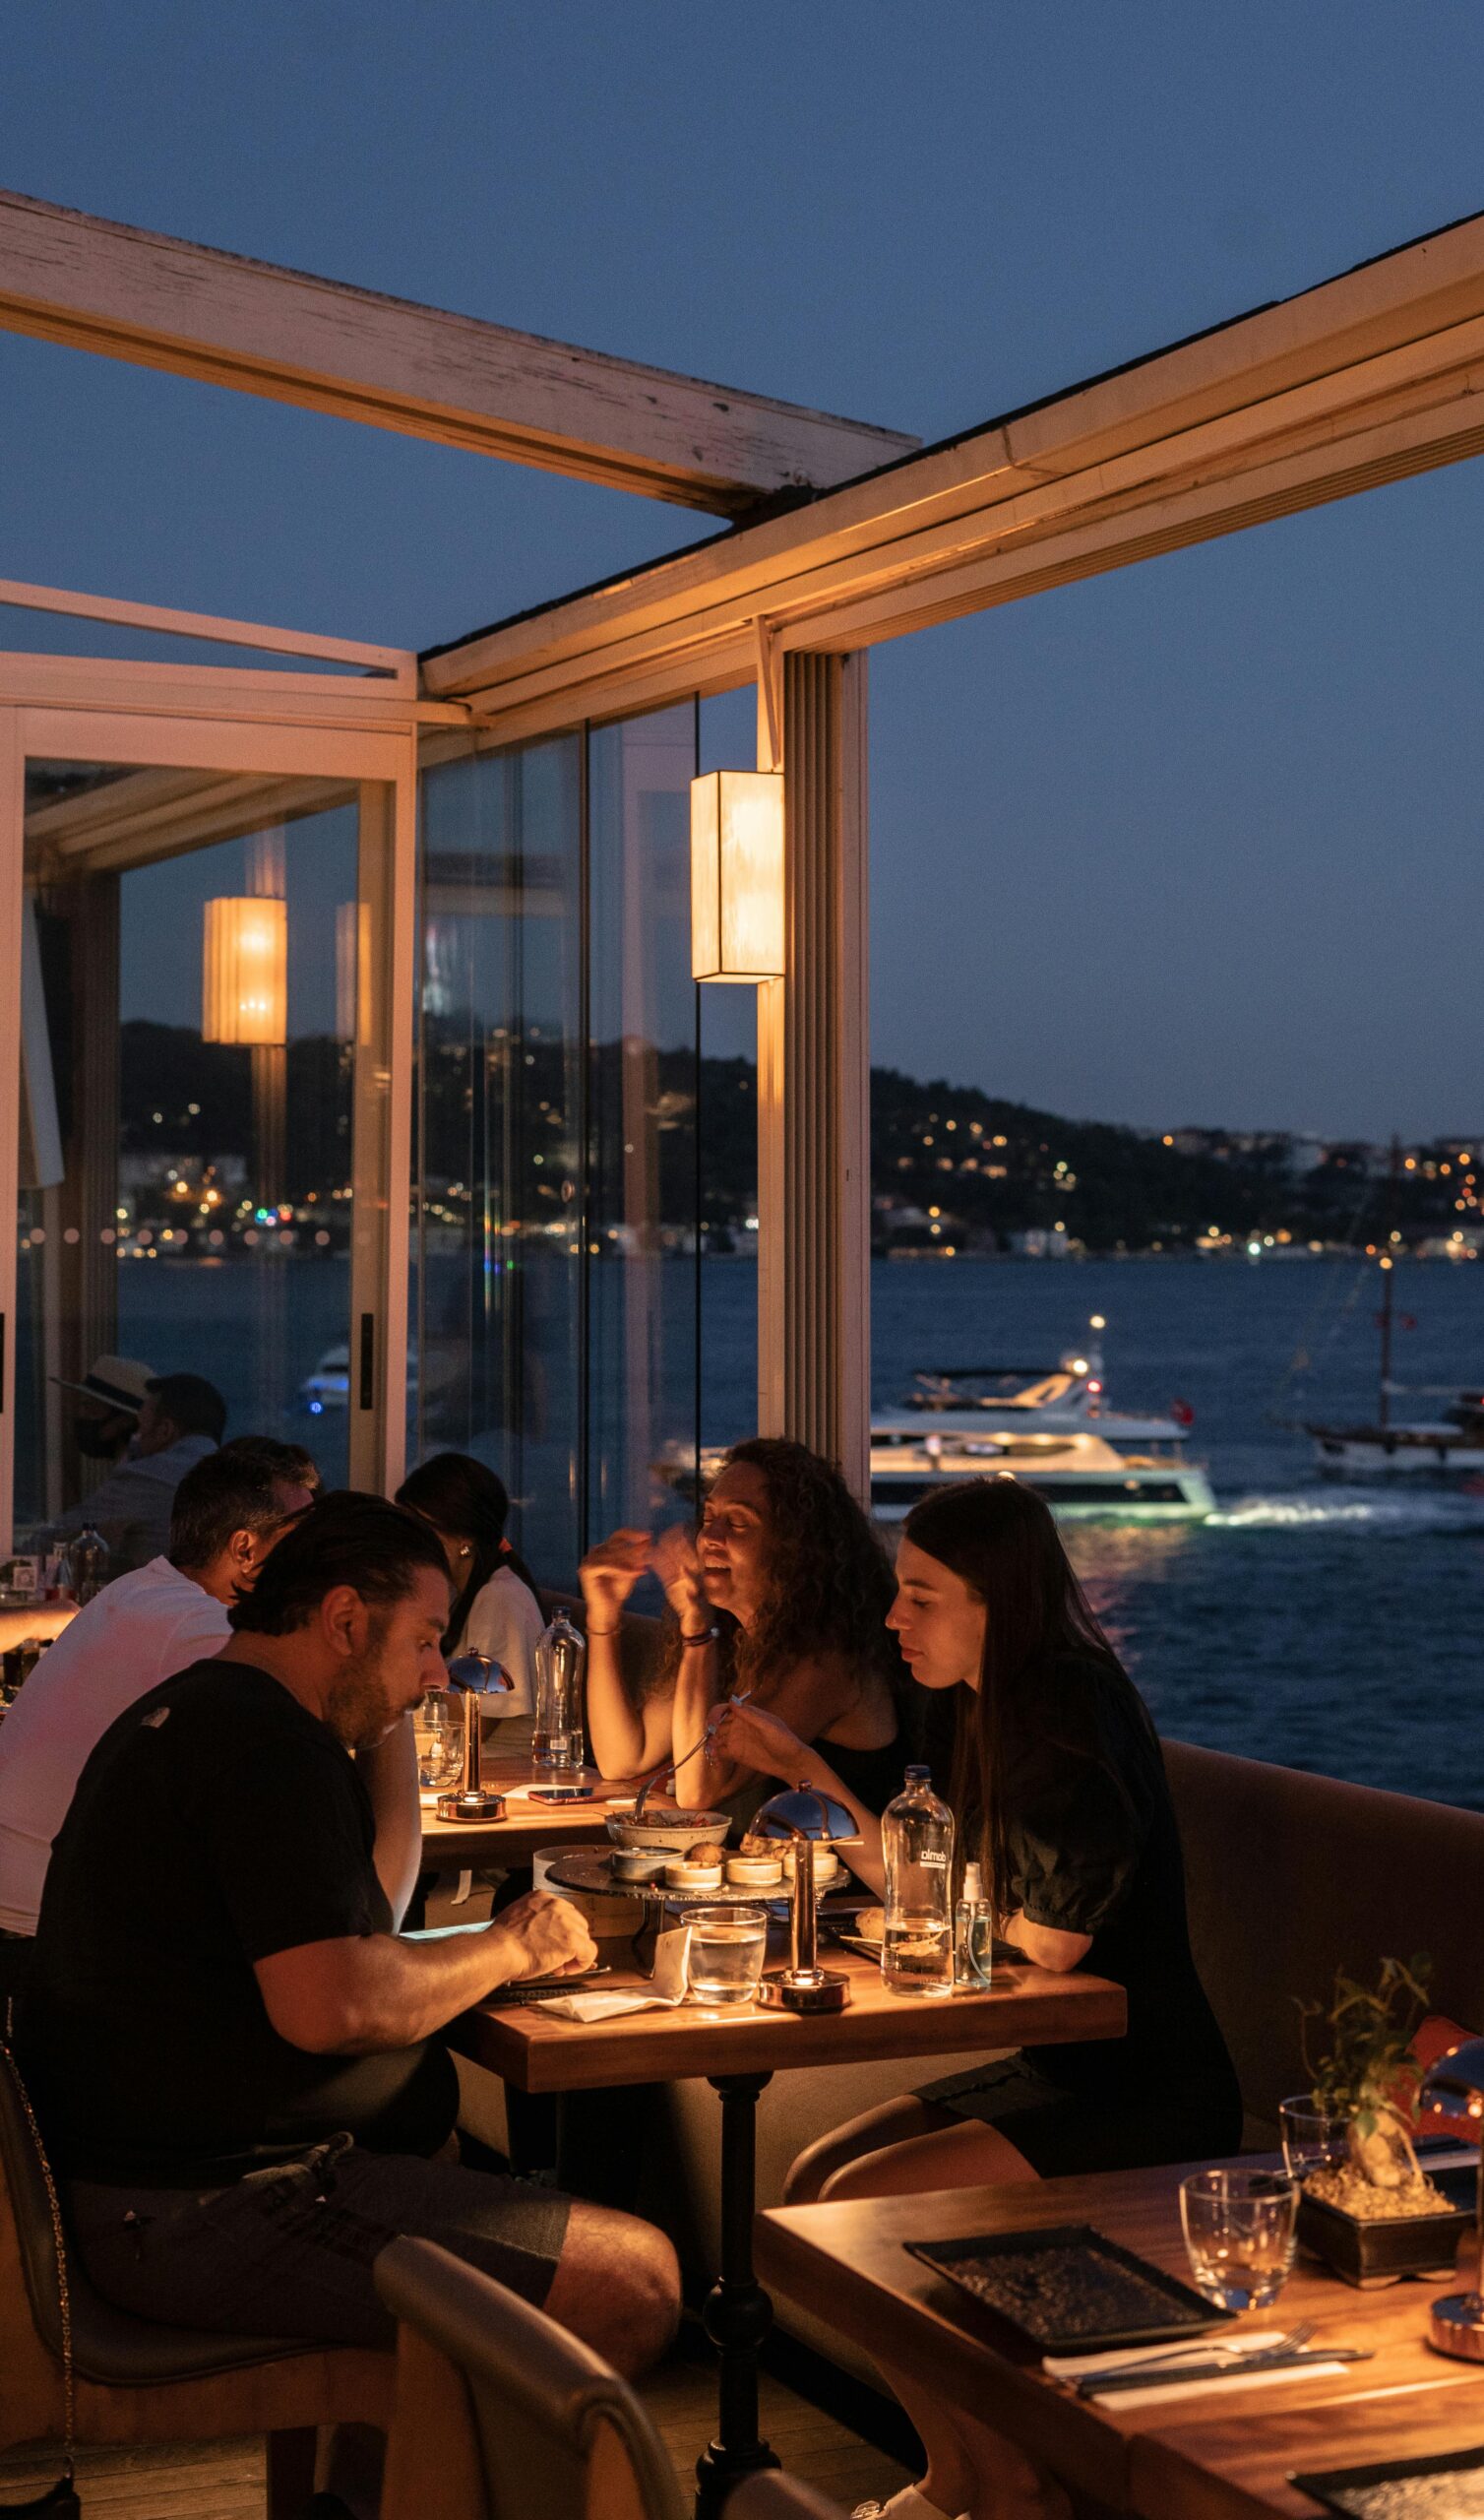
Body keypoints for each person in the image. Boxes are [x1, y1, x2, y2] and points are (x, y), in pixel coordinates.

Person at [18, 1491, 678, 2380]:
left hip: (156, 2188)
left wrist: (386, 1707)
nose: (439, 1672)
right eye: (424, 1640)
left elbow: (363, 1929)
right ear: (342, 1619)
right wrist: (514, 1945)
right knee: (633, 2280)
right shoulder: (264, 1753)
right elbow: (336, 2006)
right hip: (205, 2210)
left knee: (447, 2175)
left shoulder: (211, 1712)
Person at [713, 1478, 1242, 2520]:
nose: (890, 1616)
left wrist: (883, 1846)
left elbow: (1049, 1939)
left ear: (995, 1600)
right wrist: (809, 1774)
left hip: (1145, 2087)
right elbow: (943, 1887)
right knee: (814, 2176)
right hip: (1064, 2062)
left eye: (919, 1595)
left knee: (852, 2210)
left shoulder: (1070, 1710)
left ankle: (999, 2481)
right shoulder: (976, 1703)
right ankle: (962, 2473)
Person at [0, 1438, 318, 1936]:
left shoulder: (141, 1588)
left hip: (28, 1896)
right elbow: (300, 1759)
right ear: (245, 1549)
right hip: (46, 1928)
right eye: (303, 1539)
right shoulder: (201, 1625)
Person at [580, 1437, 905, 1831]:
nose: (709, 1539)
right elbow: (624, 1756)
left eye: (737, 1523)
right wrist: (604, 1616)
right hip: (765, 1872)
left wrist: (696, 1630)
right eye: (708, 1518)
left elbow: (698, 1791)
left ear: (793, 1547)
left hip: (830, 1886)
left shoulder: (827, 1660)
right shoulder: (741, 1640)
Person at [397, 1453, 546, 1752]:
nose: (405, 1539)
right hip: (454, 1767)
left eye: (416, 1526)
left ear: (463, 1539)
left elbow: (467, 1730)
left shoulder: (500, 1599)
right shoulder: (458, 1592)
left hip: (502, 1773)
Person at [32, 1370, 229, 1576]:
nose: (136, 1437)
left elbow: (57, 1539)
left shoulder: (149, 1476)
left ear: (165, 1430)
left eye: (141, 1427)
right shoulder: (235, 1477)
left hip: (162, 1604)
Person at [50, 1353, 156, 1470]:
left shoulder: (130, 1482)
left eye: (91, 1408)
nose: (81, 1415)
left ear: (126, 1419)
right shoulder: (133, 1474)